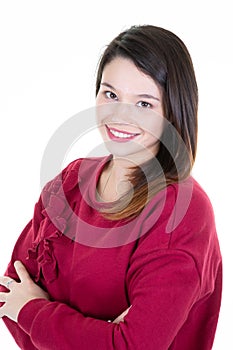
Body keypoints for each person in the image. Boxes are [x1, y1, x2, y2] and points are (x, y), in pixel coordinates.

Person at [0, 25, 222, 350]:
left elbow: (132, 346)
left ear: (172, 113)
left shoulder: (182, 212)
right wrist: (99, 334)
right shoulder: (70, 183)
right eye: (111, 94)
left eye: (144, 104)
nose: (120, 115)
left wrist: (35, 311)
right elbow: (10, 295)